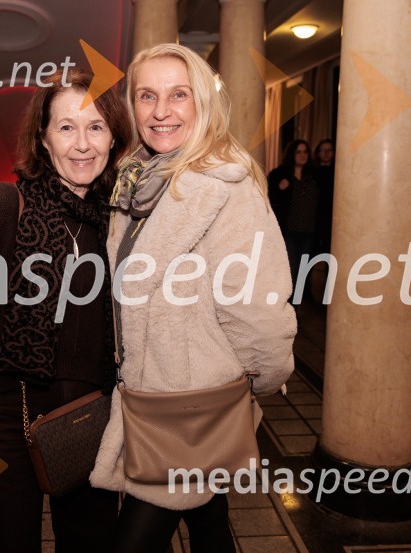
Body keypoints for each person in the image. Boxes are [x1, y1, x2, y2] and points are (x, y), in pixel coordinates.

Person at [89, 43, 297, 553]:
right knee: (206, 519)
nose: (161, 111)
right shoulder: (135, 183)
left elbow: (258, 306)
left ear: (202, 102)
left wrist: (262, 376)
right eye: (147, 96)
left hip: (189, 407)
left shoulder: (227, 187)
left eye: (178, 95)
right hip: (149, 395)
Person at [0, 69, 132, 552]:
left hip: (92, 411)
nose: (82, 143)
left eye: (96, 127)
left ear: (113, 138)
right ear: (43, 140)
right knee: (4, 540)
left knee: (92, 540)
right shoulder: (4, 205)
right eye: (66, 127)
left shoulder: (119, 219)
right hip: (6, 412)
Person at [268, 139, 319, 294]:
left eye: (305, 151)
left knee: (304, 272)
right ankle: (287, 306)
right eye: (298, 152)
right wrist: (280, 189)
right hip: (288, 232)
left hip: (308, 233)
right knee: (291, 270)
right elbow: (270, 200)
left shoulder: (315, 176)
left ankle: (296, 306)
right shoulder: (279, 175)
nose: (302, 155)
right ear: (291, 154)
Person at [313, 138, 335, 256]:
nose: (326, 153)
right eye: (323, 150)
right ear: (318, 153)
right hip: (313, 219)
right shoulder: (311, 171)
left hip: (332, 218)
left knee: (330, 253)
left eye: (329, 150)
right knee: (311, 253)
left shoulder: (339, 172)